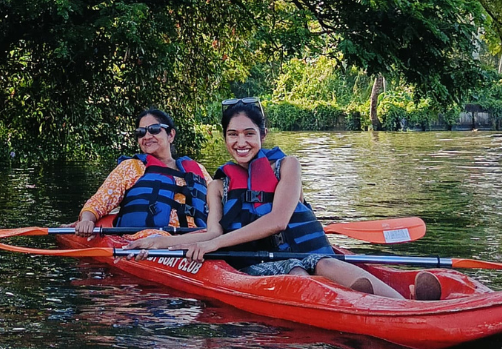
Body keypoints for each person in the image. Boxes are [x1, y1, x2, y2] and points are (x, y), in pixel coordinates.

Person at [130, 99, 442, 301]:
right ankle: (358, 302)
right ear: (224, 137)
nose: (241, 142)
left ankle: (405, 304)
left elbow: (279, 220)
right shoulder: (218, 184)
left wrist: (215, 244)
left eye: (249, 134)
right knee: (297, 272)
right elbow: (213, 232)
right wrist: (161, 242)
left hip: (305, 250)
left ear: (262, 135)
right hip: (259, 263)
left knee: (324, 261)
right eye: (233, 135)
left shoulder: (287, 166)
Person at [74, 108, 210, 235]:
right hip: (146, 239)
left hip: (196, 239)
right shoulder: (131, 167)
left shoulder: (198, 170)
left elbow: (220, 207)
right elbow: (99, 202)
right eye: (141, 132)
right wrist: (87, 220)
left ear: (171, 135)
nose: (146, 136)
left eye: (154, 129)